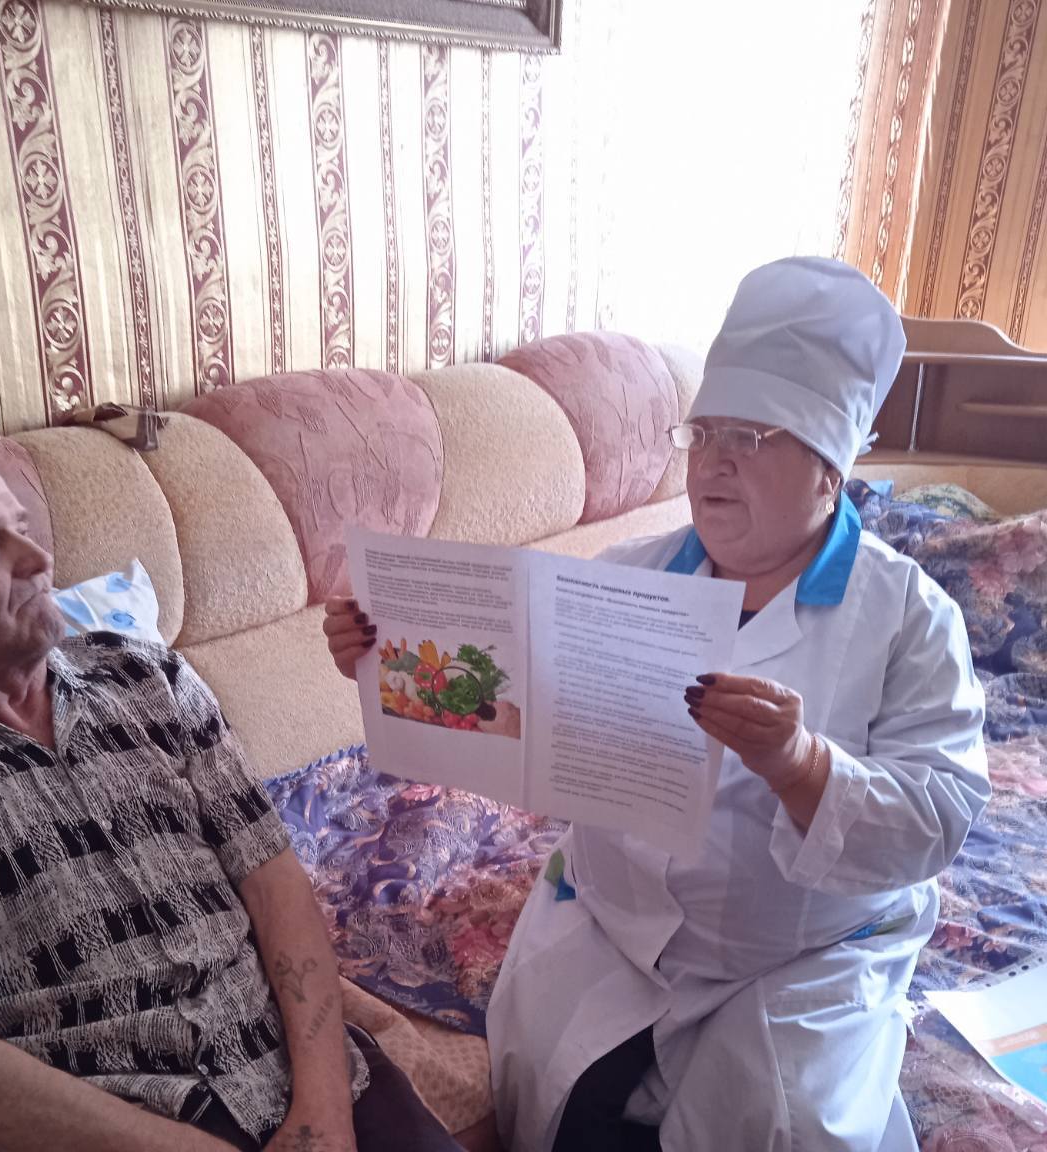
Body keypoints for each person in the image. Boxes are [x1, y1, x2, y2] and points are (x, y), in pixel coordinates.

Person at [323, 257, 990, 1151]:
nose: (715, 460)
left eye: (752, 435)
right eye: (704, 432)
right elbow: (518, 720)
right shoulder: (621, 580)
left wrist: (802, 766)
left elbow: (939, 815)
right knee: (560, 1103)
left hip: (805, 950)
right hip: (618, 921)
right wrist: (386, 665)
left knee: (787, 1124)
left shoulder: (910, 617)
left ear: (829, 468)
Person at [0, 444, 463, 1152]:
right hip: (120, 1123)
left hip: (307, 1079)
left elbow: (276, 887)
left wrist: (323, 1111)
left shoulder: (147, 675)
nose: (38, 559)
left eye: (22, 526)